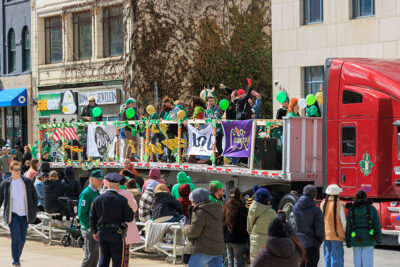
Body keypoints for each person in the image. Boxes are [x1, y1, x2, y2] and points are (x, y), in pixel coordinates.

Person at [89, 173, 134, 267]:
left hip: (102, 232)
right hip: (116, 232)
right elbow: (130, 217)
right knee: (117, 261)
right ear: (118, 185)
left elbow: (92, 217)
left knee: (103, 260)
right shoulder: (122, 200)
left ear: (107, 184)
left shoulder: (98, 199)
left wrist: (94, 231)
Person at [0, 161, 38, 267]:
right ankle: (16, 261)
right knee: (15, 238)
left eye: (19, 169)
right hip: (13, 215)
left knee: (22, 239)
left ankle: (17, 256)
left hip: (25, 215)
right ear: (11, 170)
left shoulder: (27, 182)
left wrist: (34, 209)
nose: (18, 172)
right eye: (15, 170)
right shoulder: (6, 184)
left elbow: (35, 196)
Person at [183, 188, 225, 267]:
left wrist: (185, 229)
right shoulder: (217, 209)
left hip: (203, 249)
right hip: (218, 249)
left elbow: (193, 231)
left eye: (192, 201)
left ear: (197, 200)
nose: (192, 204)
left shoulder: (200, 211)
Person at [345, 190, 382, 267]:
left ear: (355, 198)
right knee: (368, 263)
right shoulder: (372, 209)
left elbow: (348, 227)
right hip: (369, 238)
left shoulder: (351, 209)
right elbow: (377, 225)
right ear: (366, 198)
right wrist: (379, 239)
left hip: (355, 238)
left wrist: (348, 241)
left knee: (357, 262)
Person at [293, 185, 325, 267]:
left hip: (299, 243)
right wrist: (318, 242)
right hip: (312, 244)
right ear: (314, 195)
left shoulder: (296, 207)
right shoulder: (316, 210)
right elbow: (320, 231)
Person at [78, 170, 104, 267]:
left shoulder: (97, 192)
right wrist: (90, 228)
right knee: (89, 257)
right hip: (89, 229)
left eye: (102, 180)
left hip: (95, 229)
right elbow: (81, 213)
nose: (101, 182)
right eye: (99, 180)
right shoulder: (87, 193)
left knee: (95, 257)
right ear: (91, 180)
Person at [247, 186, 277, 264]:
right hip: (267, 244)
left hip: (254, 243)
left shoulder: (251, 210)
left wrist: (255, 236)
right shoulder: (272, 213)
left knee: (254, 262)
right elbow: (277, 230)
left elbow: (249, 229)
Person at [321, 184, 346, 267]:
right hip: (336, 235)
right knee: (336, 258)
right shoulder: (340, 204)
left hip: (326, 235)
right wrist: (345, 231)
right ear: (338, 193)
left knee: (327, 256)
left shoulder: (323, 203)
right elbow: (343, 221)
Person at [222, 187, 249, 267]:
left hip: (227, 240)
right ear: (239, 196)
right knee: (239, 262)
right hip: (239, 240)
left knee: (230, 261)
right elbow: (245, 225)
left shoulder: (225, 207)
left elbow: (222, 224)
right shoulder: (242, 208)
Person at [118, 176, 140, 267]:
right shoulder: (127, 193)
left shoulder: (108, 192)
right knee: (125, 251)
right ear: (125, 182)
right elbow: (134, 208)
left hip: (111, 225)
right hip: (126, 225)